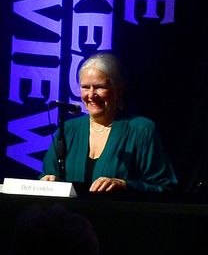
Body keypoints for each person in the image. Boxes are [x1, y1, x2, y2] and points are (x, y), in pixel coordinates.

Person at [40, 53, 178, 192]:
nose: (91, 95)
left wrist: (125, 185)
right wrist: (49, 181)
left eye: (100, 87)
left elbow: (166, 188)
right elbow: (47, 176)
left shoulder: (141, 129)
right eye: (85, 87)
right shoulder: (68, 130)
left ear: (118, 89)